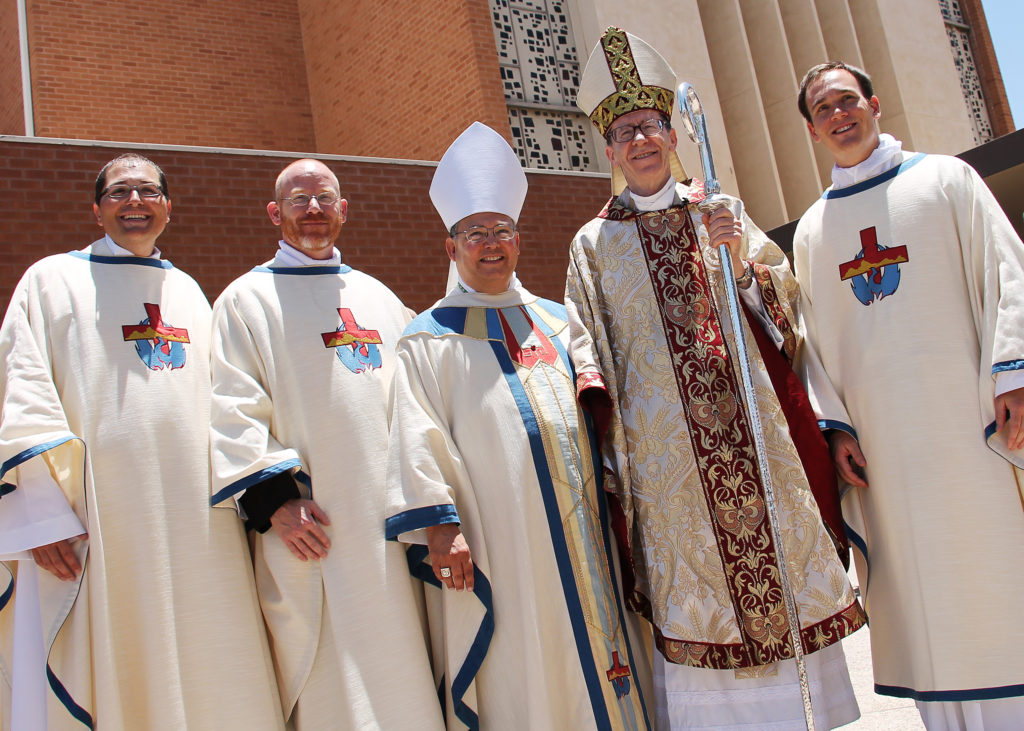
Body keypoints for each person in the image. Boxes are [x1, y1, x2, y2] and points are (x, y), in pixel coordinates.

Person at [566, 27, 866, 730]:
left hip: (756, 443)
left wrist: (739, 260)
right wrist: (609, 456)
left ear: (671, 134)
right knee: (699, 606)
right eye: (625, 131)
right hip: (669, 476)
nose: (640, 140)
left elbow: (785, 312)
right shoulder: (592, 244)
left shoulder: (719, 211)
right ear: (609, 150)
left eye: (650, 125)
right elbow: (589, 351)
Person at [384, 121, 653, 730]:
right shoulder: (427, 339)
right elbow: (415, 435)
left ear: (519, 241)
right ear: (450, 249)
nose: (490, 244)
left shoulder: (560, 323)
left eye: (501, 231)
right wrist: (439, 529)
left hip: (589, 534)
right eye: (474, 233)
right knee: (530, 668)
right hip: (501, 541)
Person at [0, 153, 283, 730]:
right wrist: (40, 514)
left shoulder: (189, 292)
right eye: (120, 193)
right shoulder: (51, 280)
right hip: (98, 521)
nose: (135, 202)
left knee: (210, 656)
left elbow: (230, 402)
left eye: (148, 192)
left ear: (168, 208)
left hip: (200, 525)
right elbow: (21, 390)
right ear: (96, 209)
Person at [793, 61, 1024, 730]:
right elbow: (811, 342)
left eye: (847, 100)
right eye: (824, 109)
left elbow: (1007, 269)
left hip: (974, 425)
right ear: (812, 130)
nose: (839, 115)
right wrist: (835, 430)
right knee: (925, 597)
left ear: (874, 104)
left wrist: (1013, 375)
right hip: (887, 456)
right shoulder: (812, 232)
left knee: (995, 568)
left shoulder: (946, 179)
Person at [209, 158, 442, 730]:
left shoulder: (379, 298)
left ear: (344, 211)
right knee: (331, 686)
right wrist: (272, 505)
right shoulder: (245, 300)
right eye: (297, 200)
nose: (312, 210)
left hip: (391, 526)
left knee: (405, 667)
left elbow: (422, 395)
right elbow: (229, 407)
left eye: (324, 199)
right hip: (315, 526)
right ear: (274, 213)